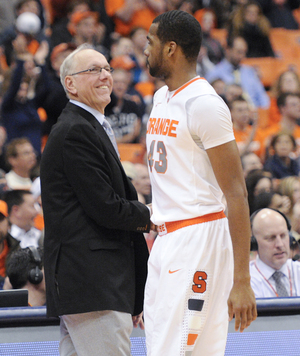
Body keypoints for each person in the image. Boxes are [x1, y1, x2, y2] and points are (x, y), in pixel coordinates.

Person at [143, 10, 257, 356]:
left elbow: (236, 194)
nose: (145, 49)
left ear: (171, 49)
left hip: (199, 238)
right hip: (165, 238)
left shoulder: (205, 105)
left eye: (151, 42)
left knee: (172, 351)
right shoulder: (161, 98)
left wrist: (242, 279)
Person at [40, 43, 152, 355]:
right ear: (70, 84)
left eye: (107, 69)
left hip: (91, 285)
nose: (105, 76)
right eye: (93, 70)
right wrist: (149, 214)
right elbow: (105, 207)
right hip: (93, 284)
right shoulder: (75, 130)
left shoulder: (88, 126)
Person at [205, 35, 270, 109]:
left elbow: (263, 99)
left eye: (244, 52)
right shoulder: (214, 73)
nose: (242, 56)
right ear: (228, 50)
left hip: (254, 113)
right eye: (239, 52)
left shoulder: (250, 72)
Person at [249, 208, 300, 297]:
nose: (280, 244)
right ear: (254, 243)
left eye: (283, 236)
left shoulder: (298, 270)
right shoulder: (246, 282)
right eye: (271, 238)